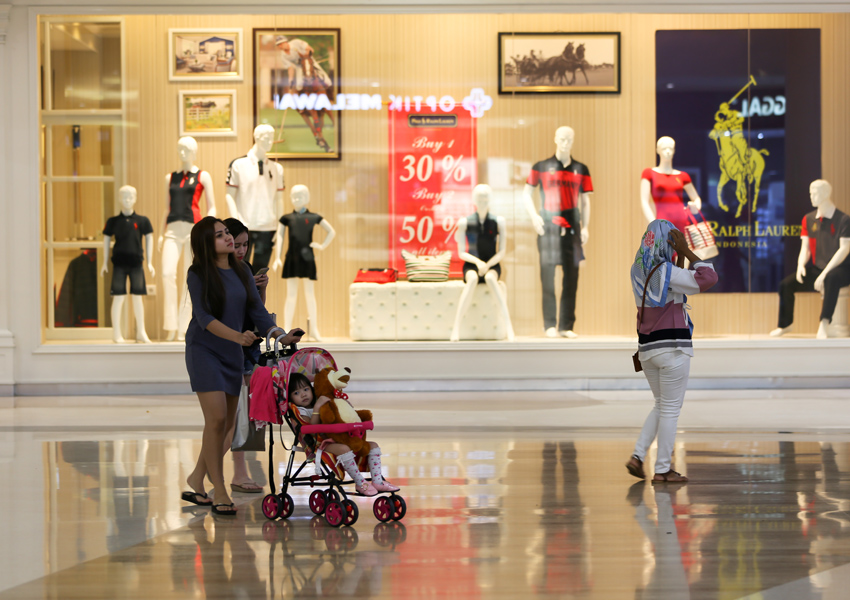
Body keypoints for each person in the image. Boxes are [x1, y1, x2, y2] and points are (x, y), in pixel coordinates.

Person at [181, 217, 303, 515]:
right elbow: (204, 318)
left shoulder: (242, 271)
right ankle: (219, 489)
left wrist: (279, 334)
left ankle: (196, 478)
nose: (229, 239)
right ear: (206, 244)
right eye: (221, 235)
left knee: (227, 423)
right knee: (217, 418)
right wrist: (238, 336)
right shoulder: (198, 273)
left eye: (227, 234)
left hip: (233, 352)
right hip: (204, 350)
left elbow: (257, 312)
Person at [626, 219, 718, 484]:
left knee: (660, 405)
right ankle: (663, 469)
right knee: (670, 410)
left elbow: (671, 287)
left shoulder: (638, 269)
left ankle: (637, 456)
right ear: (669, 241)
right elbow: (709, 278)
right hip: (672, 349)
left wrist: (677, 259)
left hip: (647, 350)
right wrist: (687, 251)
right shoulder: (667, 270)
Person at [523, 125, 593, 338]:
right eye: (562, 138)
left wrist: (586, 226)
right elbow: (526, 193)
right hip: (548, 223)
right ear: (555, 139)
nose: (565, 142)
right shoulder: (541, 167)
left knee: (572, 276)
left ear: (573, 141)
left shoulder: (581, 169)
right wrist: (534, 217)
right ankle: (550, 324)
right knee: (547, 275)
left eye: (569, 139)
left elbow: (585, 200)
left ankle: (566, 325)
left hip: (572, 225)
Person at [287, 372, 399, 496]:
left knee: (373, 445)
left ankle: (378, 481)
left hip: (340, 437)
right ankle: (360, 482)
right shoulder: (300, 411)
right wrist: (317, 407)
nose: (303, 394)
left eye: (306, 389)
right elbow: (311, 428)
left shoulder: (323, 401)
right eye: (296, 393)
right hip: (319, 443)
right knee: (344, 449)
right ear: (290, 398)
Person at [222, 217, 269, 494]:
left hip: (250, 343)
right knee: (236, 413)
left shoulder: (245, 268)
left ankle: (242, 470)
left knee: (252, 411)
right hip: (231, 344)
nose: (241, 250)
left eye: (245, 245)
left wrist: (260, 287)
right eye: (236, 245)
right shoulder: (221, 271)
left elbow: (257, 310)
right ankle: (231, 471)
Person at [770, 180, 850, 339]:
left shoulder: (843, 219)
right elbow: (805, 247)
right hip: (818, 267)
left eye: (815, 193)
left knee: (831, 279)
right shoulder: (808, 219)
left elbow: (845, 249)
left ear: (826, 194)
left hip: (842, 269)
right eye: (810, 193)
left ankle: (824, 323)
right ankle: (785, 324)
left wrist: (825, 273)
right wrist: (801, 265)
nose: (811, 196)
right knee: (786, 284)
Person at [640, 136, 702, 233]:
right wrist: (653, 223)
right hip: (662, 223)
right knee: (663, 248)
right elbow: (644, 201)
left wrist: (695, 206)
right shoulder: (649, 173)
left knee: (681, 247)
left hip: (682, 222)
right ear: (658, 150)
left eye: (670, 148)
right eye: (664, 148)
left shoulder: (682, 176)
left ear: (674, 151)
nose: (668, 151)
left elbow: (696, 198)